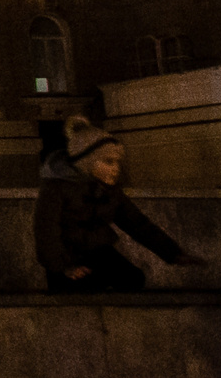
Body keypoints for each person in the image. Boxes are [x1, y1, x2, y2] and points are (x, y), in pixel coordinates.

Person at [36, 114, 202, 293]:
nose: (116, 168)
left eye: (117, 162)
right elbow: (46, 232)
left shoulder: (109, 191)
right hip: (65, 257)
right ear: (87, 162)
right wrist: (64, 267)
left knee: (133, 279)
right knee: (86, 286)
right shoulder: (56, 188)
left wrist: (172, 253)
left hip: (98, 253)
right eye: (108, 162)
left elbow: (137, 224)